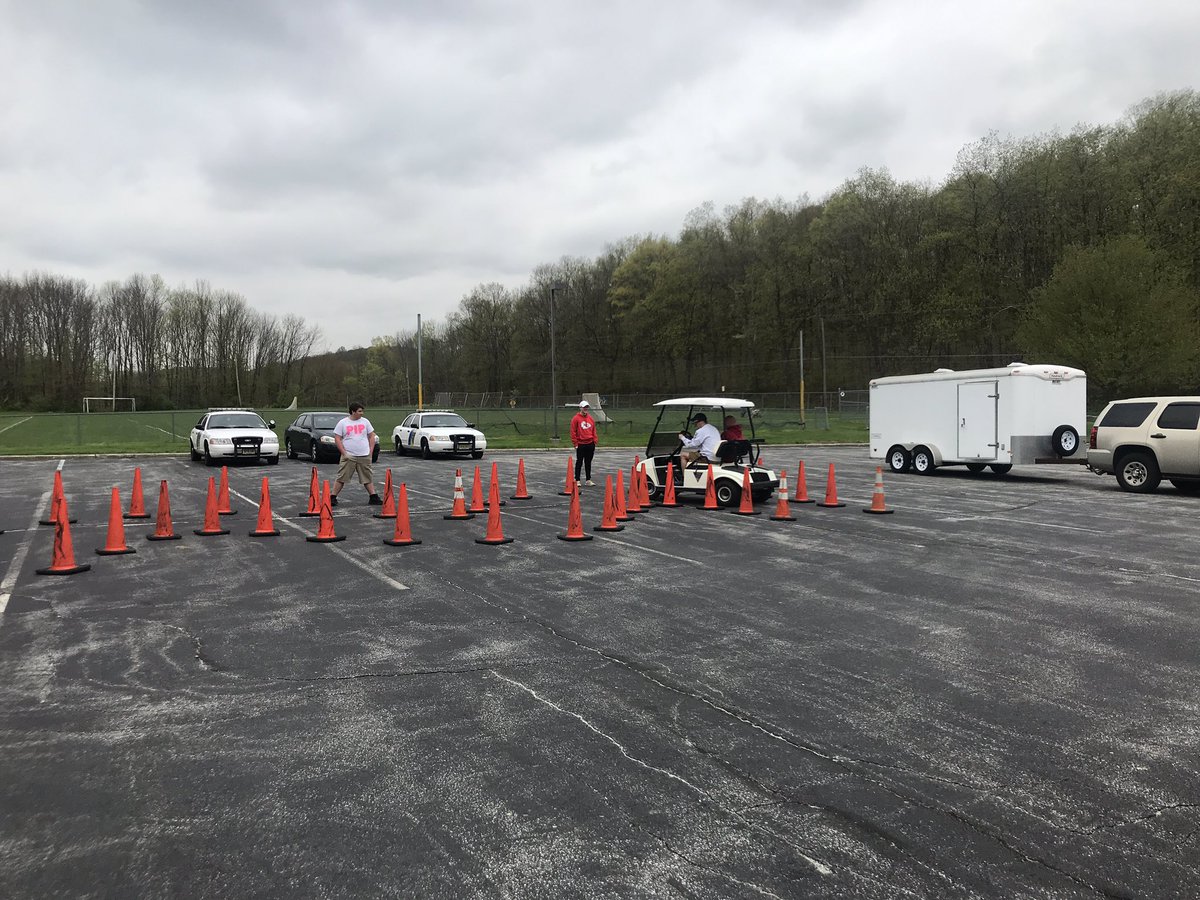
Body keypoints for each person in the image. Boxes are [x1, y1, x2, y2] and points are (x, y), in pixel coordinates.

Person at [330, 402, 381, 506]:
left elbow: (371, 436)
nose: (362, 413)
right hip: (349, 456)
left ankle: (373, 497)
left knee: (367, 477)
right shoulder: (343, 423)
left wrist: (370, 452)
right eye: (359, 411)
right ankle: (332, 497)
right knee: (342, 477)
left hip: (364, 455)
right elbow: (337, 438)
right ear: (353, 412)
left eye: (362, 411)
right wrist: (344, 453)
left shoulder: (365, 422)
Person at [570, 400, 598, 486]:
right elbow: (573, 431)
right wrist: (575, 443)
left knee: (588, 462)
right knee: (579, 461)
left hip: (590, 443)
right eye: (584, 407)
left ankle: (588, 479)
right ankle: (577, 479)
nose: (586, 409)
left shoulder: (590, 418)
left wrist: (595, 440)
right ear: (580, 408)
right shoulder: (576, 419)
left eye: (587, 407)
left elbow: (593, 430)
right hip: (581, 444)